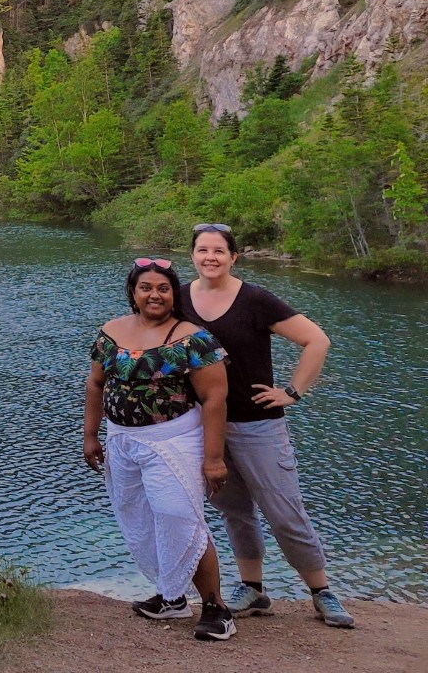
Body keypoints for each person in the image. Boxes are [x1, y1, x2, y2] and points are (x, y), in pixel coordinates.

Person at [180, 223, 355, 629]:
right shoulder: (182, 299)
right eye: (203, 250)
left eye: (219, 251)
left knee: (284, 511)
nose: (210, 257)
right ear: (192, 255)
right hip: (205, 425)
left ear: (233, 256)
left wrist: (292, 392)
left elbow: (317, 340)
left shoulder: (255, 299)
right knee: (234, 512)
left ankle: (321, 591)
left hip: (257, 423)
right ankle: (254, 589)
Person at [84, 257, 236, 642]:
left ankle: (216, 607)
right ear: (133, 293)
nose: (155, 294)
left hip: (173, 439)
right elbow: (95, 385)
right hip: (121, 440)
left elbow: (215, 397)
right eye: (146, 287)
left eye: (163, 288)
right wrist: (90, 435)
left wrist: (214, 458)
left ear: (174, 294)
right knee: (139, 518)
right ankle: (172, 597)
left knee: (180, 516)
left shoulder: (192, 338)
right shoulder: (111, 331)